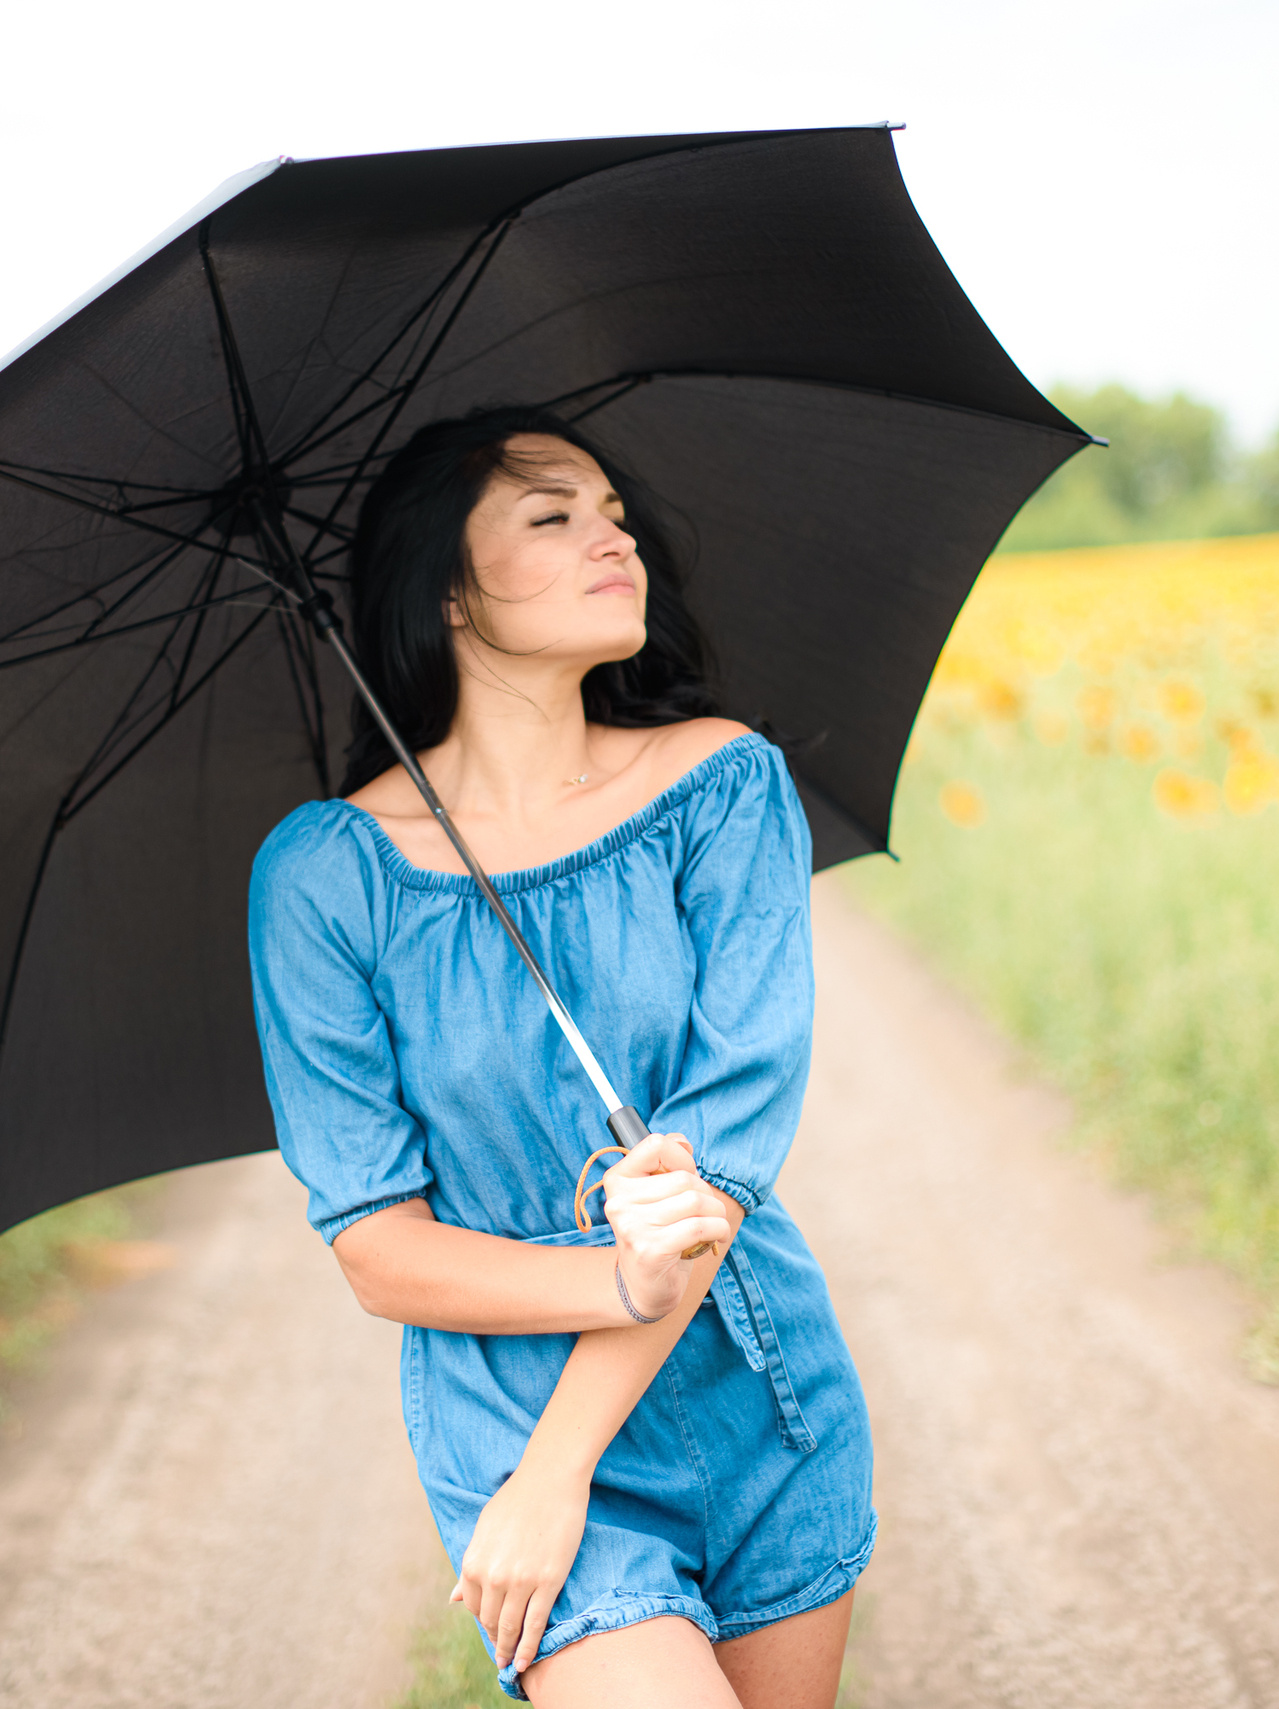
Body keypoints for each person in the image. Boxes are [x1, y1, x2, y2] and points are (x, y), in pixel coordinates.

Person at [247, 407, 874, 1707]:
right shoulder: (324, 877)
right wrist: (558, 1447)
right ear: (452, 595)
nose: (614, 539)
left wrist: (647, 1295)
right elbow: (380, 1251)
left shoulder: (722, 786)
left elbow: (722, 1163)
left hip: (756, 1385)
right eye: (553, 515)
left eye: (616, 516)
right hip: (509, 1422)